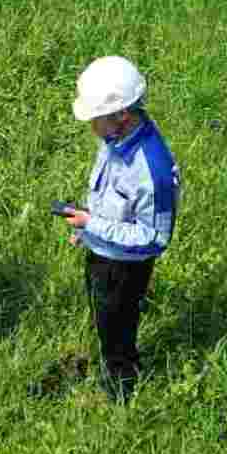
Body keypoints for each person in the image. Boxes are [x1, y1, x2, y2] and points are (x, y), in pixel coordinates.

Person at [54, 56, 178, 402]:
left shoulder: (151, 168)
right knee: (102, 315)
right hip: (101, 249)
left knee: (117, 327)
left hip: (124, 266)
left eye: (95, 118)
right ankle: (112, 363)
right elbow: (107, 193)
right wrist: (87, 228)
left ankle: (121, 389)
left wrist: (93, 224)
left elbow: (154, 237)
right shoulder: (114, 139)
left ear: (121, 115)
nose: (91, 125)